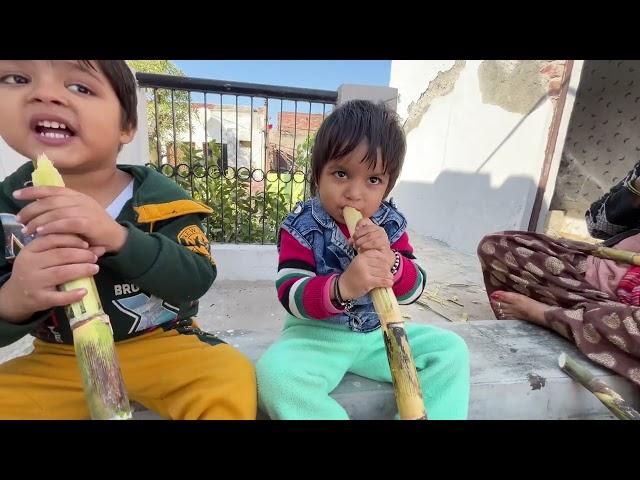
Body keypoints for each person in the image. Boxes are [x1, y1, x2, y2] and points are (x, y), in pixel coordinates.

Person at [0, 60, 256, 419]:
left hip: (166, 345)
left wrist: (119, 238)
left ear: (127, 126)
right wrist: (14, 298)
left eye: (79, 87)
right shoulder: (7, 206)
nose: (44, 94)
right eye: (17, 79)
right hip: (60, 358)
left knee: (229, 376)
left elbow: (196, 277)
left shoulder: (162, 199)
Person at [256, 100, 470, 420]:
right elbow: (290, 293)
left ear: (387, 185)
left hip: (378, 335)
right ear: (318, 175)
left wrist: (392, 262)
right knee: (275, 377)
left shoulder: (390, 224)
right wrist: (342, 287)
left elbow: (416, 287)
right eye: (342, 174)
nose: (355, 193)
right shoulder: (302, 226)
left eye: (373, 180)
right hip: (316, 337)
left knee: (451, 351)